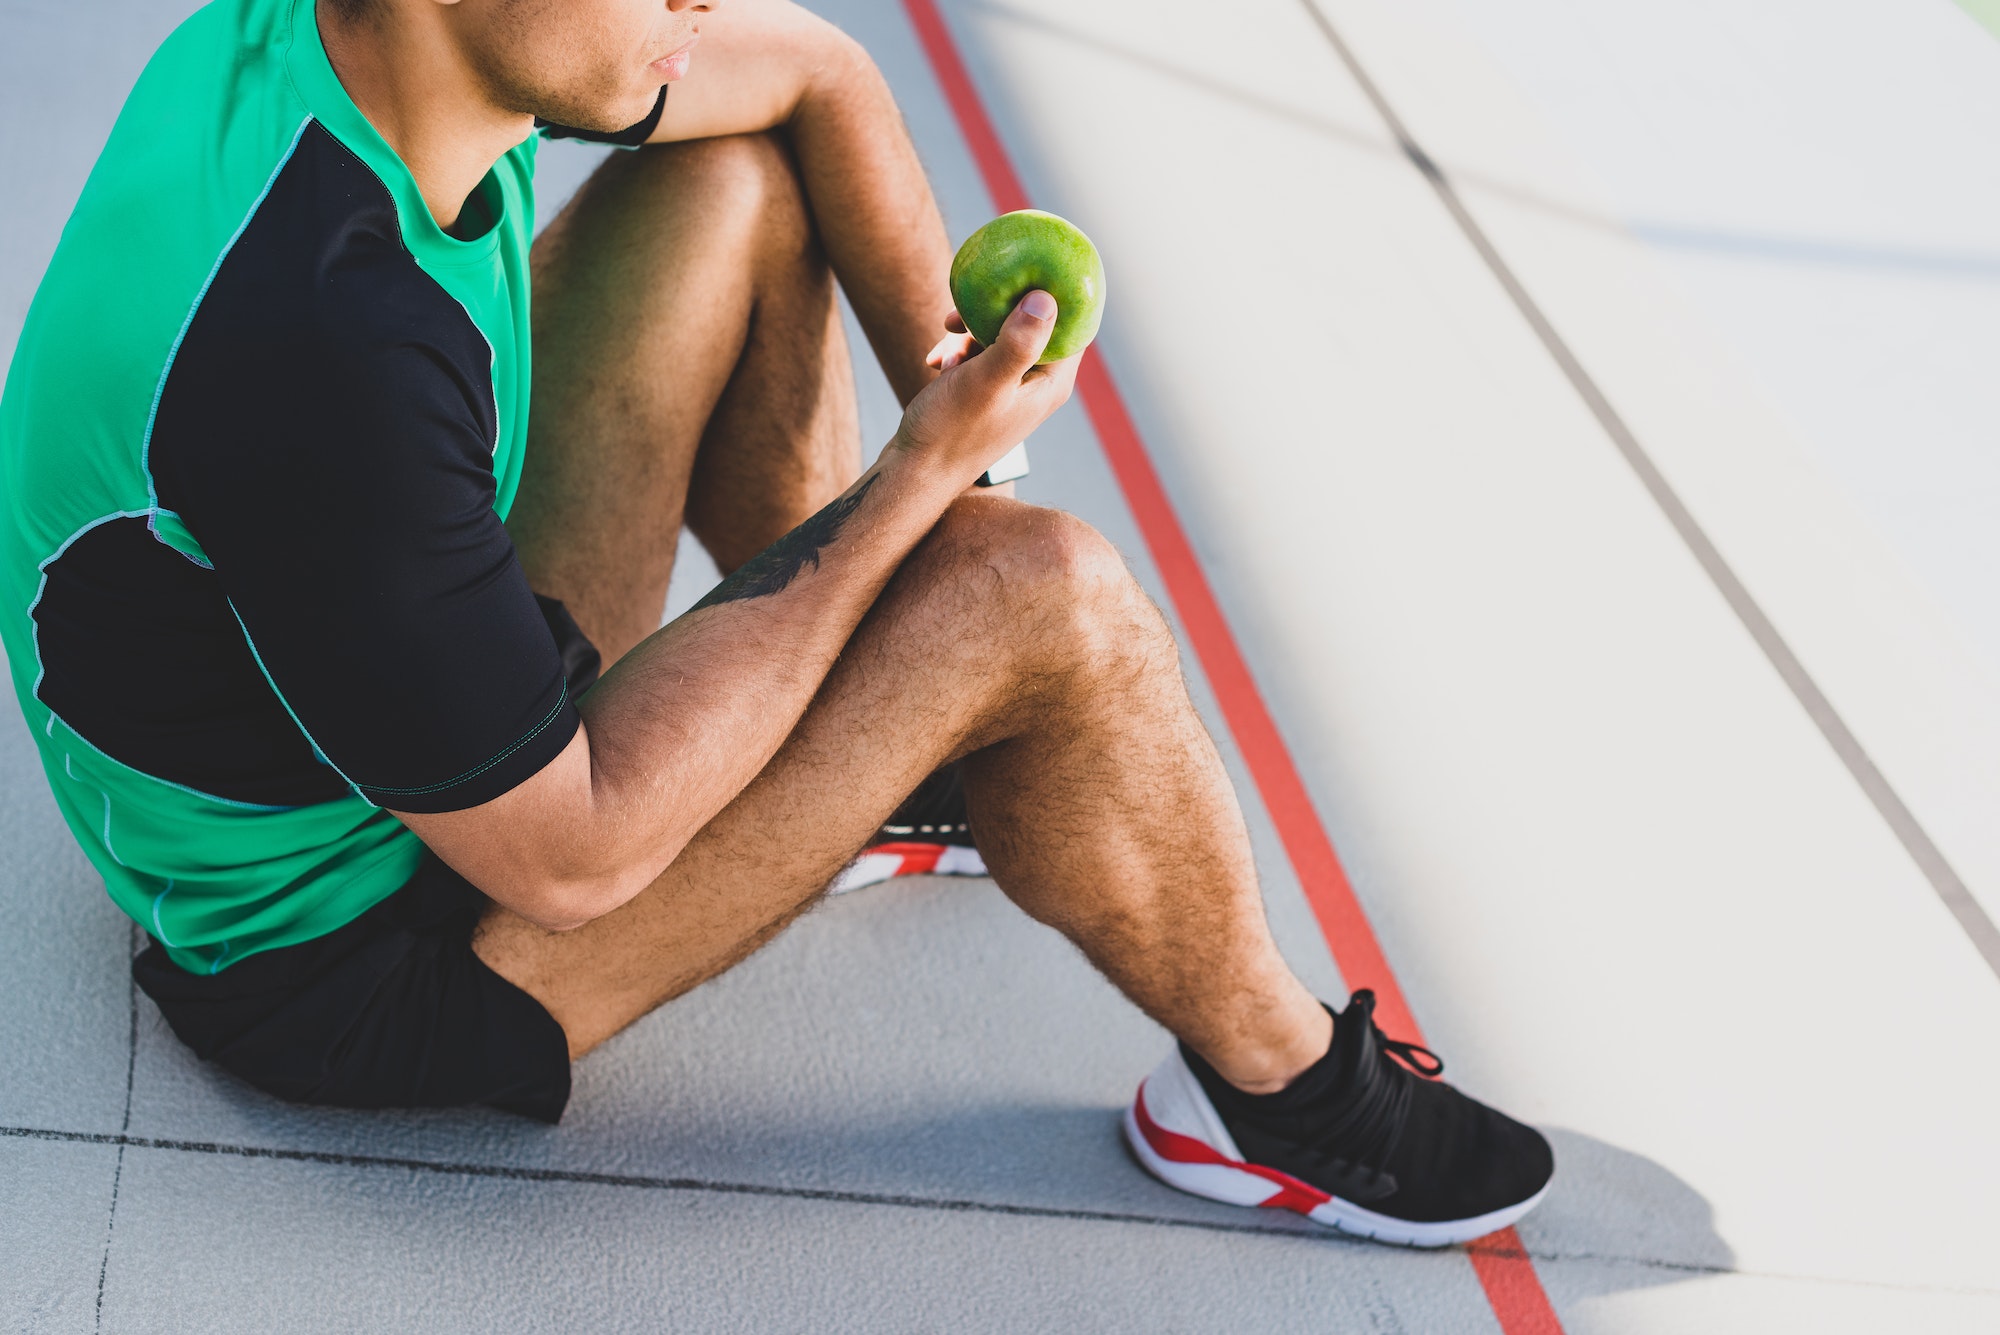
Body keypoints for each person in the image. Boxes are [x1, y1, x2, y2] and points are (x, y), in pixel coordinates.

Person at [0, 0, 1552, 1246]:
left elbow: (819, 68)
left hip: (344, 703)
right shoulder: (323, 348)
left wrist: (970, 444)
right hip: (351, 947)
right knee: (1050, 598)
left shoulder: (330, 53)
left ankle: (888, 752)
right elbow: (573, 854)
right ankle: (1276, 1100)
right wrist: (923, 490)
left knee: (731, 177)